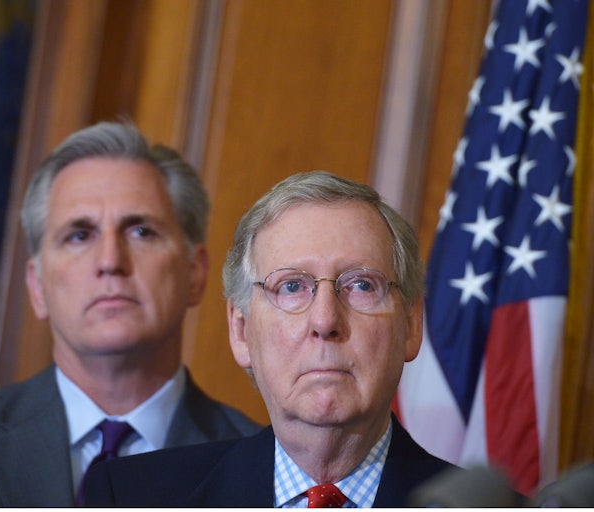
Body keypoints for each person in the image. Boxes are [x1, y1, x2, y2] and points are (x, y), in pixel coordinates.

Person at [0, 121, 260, 507]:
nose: (109, 261)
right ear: (36, 286)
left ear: (195, 272)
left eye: (141, 231)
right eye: (79, 235)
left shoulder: (270, 470)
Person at [84, 171, 455, 507]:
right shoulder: (133, 496)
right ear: (241, 330)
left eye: (360, 285)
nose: (325, 320)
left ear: (410, 324)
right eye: (291, 286)